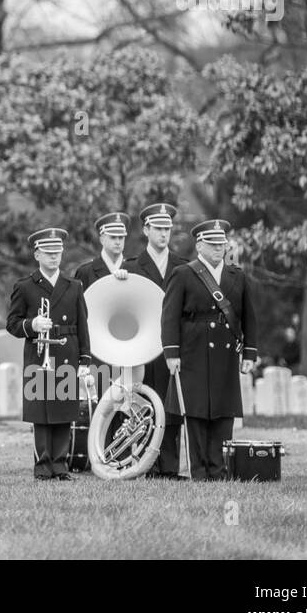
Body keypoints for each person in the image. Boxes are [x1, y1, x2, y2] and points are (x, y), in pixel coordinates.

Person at [161, 219, 259, 481]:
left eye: (221, 243)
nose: (219, 248)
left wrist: (249, 352)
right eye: (213, 244)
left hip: (225, 354)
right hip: (192, 353)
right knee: (195, 413)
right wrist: (171, 353)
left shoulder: (237, 276)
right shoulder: (184, 273)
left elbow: (249, 317)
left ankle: (219, 469)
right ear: (200, 245)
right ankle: (200, 470)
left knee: (222, 413)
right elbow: (169, 316)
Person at [6, 228, 91, 480]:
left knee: (64, 412)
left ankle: (60, 463)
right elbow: (13, 324)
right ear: (37, 254)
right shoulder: (25, 286)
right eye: (48, 253)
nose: (54, 257)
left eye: (58, 253)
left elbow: (83, 325)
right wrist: (31, 325)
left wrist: (85, 359)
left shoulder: (74, 286)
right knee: (41, 413)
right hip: (39, 355)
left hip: (67, 351)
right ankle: (42, 464)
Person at [125, 202, 187, 478]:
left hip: (171, 348)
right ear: (146, 229)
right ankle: (146, 465)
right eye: (158, 228)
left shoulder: (184, 267)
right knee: (146, 406)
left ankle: (170, 467)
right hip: (144, 349)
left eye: (168, 229)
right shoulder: (132, 267)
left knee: (172, 408)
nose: (164, 234)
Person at [74, 211, 131, 397]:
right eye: (113, 237)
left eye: (121, 237)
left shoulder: (134, 269)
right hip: (98, 351)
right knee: (100, 406)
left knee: (126, 405)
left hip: (128, 348)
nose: (118, 241)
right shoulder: (86, 272)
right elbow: (79, 316)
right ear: (102, 238)